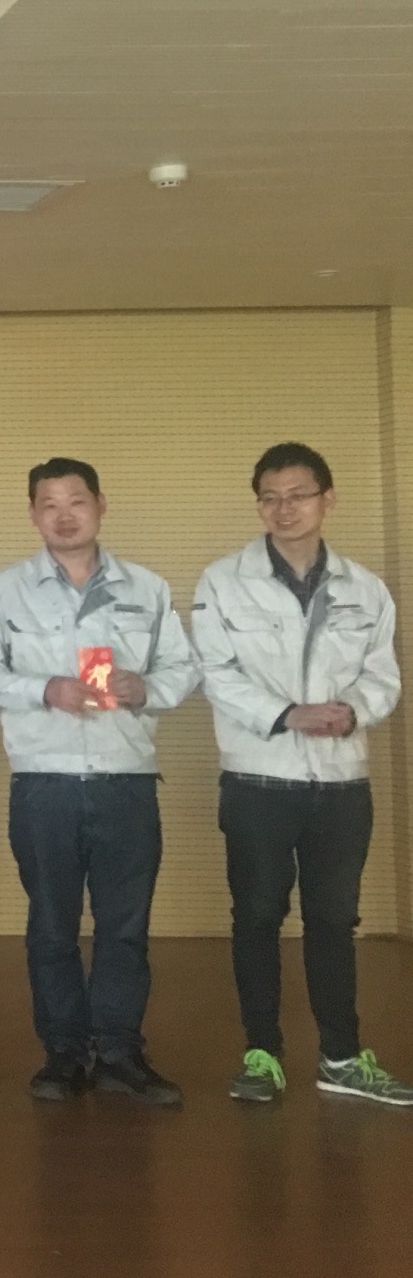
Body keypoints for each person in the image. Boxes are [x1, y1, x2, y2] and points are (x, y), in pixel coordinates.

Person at [0, 458, 199, 1106]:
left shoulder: (146, 588)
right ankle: (63, 1053)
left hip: (125, 780)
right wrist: (44, 688)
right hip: (43, 783)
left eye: (76, 501)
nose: (64, 515)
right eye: (49, 504)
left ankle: (120, 1051)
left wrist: (144, 686)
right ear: (32, 514)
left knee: (124, 927)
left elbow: (184, 668)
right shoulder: (2, 593)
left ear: (100, 505)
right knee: (51, 925)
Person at [192, 442, 411, 1105]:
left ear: (327, 499)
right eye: (269, 498)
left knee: (333, 920)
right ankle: (261, 1054)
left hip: (341, 785)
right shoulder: (222, 582)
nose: (283, 509)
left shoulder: (364, 588)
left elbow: (383, 675)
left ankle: (340, 1057)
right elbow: (214, 672)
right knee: (256, 918)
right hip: (257, 782)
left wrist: (353, 711)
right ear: (258, 504)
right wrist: (288, 714)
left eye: (297, 495)